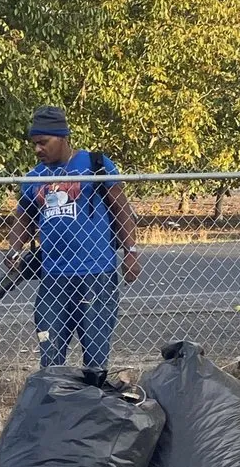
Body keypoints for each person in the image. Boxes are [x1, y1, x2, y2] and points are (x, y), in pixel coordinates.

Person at [8, 106, 141, 370]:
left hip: (96, 276)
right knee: (51, 357)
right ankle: (56, 408)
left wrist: (131, 251)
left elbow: (121, 208)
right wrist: (13, 250)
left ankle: (93, 405)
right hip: (53, 278)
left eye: (43, 143)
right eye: (34, 144)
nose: (37, 150)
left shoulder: (95, 165)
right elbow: (23, 216)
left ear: (63, 137)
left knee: (95, 358)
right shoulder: (35, 176)